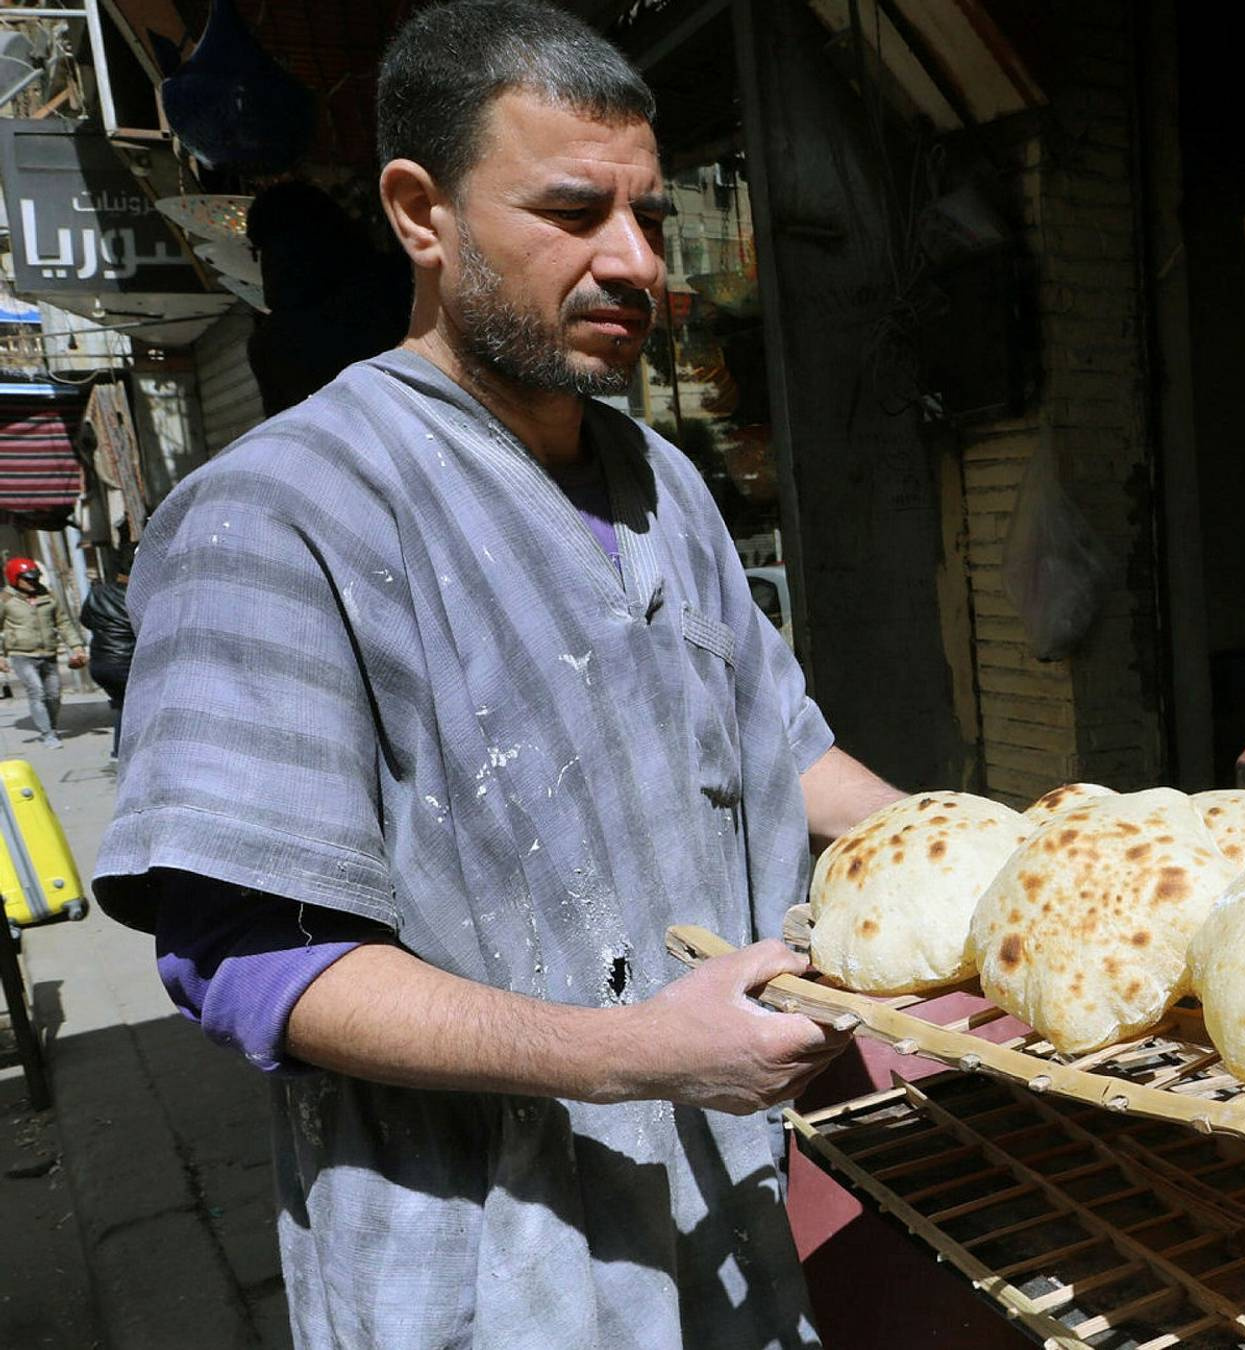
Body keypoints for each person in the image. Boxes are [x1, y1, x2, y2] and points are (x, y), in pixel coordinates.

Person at [94, 3, 906, 1344]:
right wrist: (643, 1052)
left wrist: (1000, 865)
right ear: (421, 211)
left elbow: (780, 746)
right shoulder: (286, 511)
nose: (635, 260)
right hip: (488, 1266)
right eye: (575, 211)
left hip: (723, 1216)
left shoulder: (663, 483)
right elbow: (252, 963)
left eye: (651, 214)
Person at [1, 556, 86, 748]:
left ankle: (52, 728)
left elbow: (63, 623)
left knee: (54, 694)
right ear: (14, 578)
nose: (33, 583)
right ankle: (47, 734)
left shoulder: (47, 595)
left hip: (49, 653)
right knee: (36, 692)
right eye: (28, 579)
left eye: (35, 578)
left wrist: (77, 646)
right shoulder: (5, 599)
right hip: (22, 655)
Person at [79, 551, 134, 759]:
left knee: (124, 705)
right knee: (130, 705)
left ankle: (120, 753)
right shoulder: (137, 596)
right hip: (126, 664)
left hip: (101, 663)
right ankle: (122, 753)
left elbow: (85, 620)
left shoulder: (96, 593)